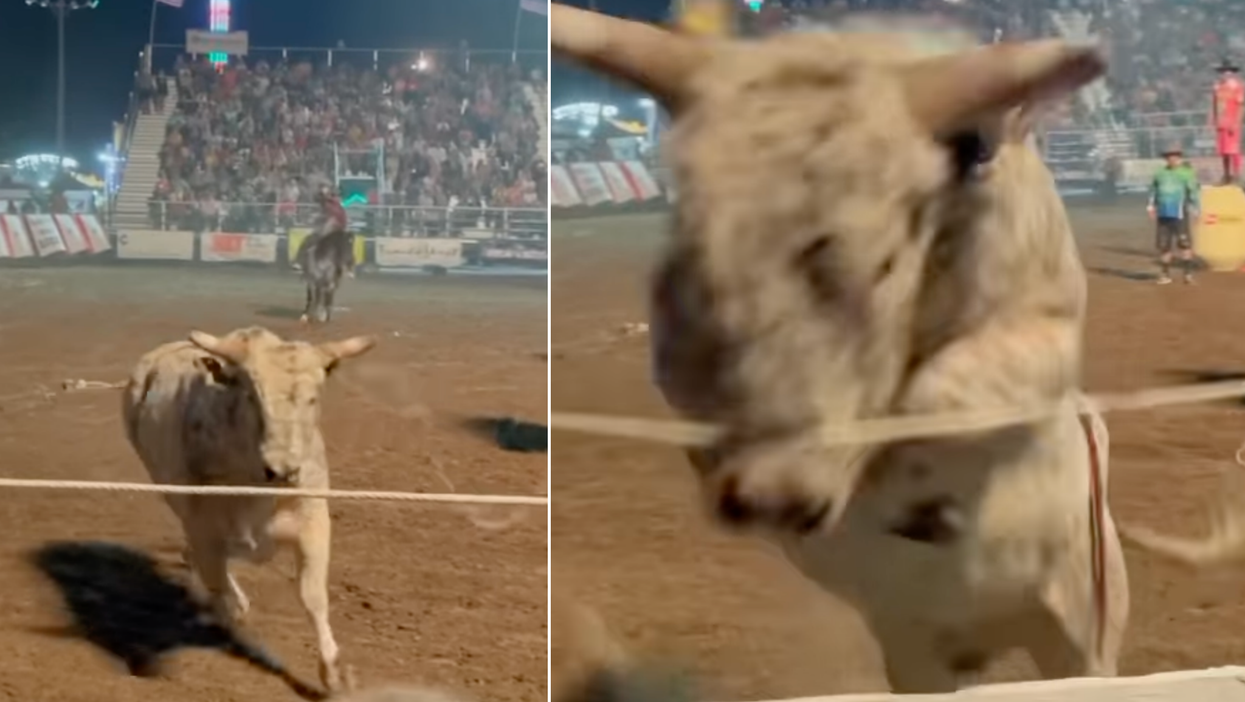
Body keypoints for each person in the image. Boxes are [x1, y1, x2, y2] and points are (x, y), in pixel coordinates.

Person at [1146, 144, 1200, 285]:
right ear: (1166, 158)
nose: (1172, 159)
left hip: (1179, 214)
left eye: (1175, 156)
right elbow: (1153, 191)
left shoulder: (1186, 173)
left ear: (1179, 158)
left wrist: (1196, 209)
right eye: (1169, 156)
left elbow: (1193, 192)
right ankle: (1165, 274)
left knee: (1184, 244)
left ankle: (1187, 274)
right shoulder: (1160, 173)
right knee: (1164, 245)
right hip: (1163, 215)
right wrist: (1151, 206)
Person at [297, 185, 356, 277]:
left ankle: (300, 261)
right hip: (332, 230)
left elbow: (343, 221)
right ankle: (349, 267)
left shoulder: (336, 207)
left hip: (335, 231)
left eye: (339, 196)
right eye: (336, 195)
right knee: (311, 239)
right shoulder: (330, 204)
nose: (338, 198)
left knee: (311, 240)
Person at [1213, 58, 1244, 184]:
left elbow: (1241, 105)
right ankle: (1226, 175)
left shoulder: (1238, 87)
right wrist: (1215, 120)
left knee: (1234, 150)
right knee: (1223, 150)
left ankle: (1237, 174)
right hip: (1222, 122)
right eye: (1224, 71)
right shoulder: (1217, 87)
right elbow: (1215, 105)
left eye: (1229, 71)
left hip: (1232, 121)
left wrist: (1237, 122)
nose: (1226, 73)